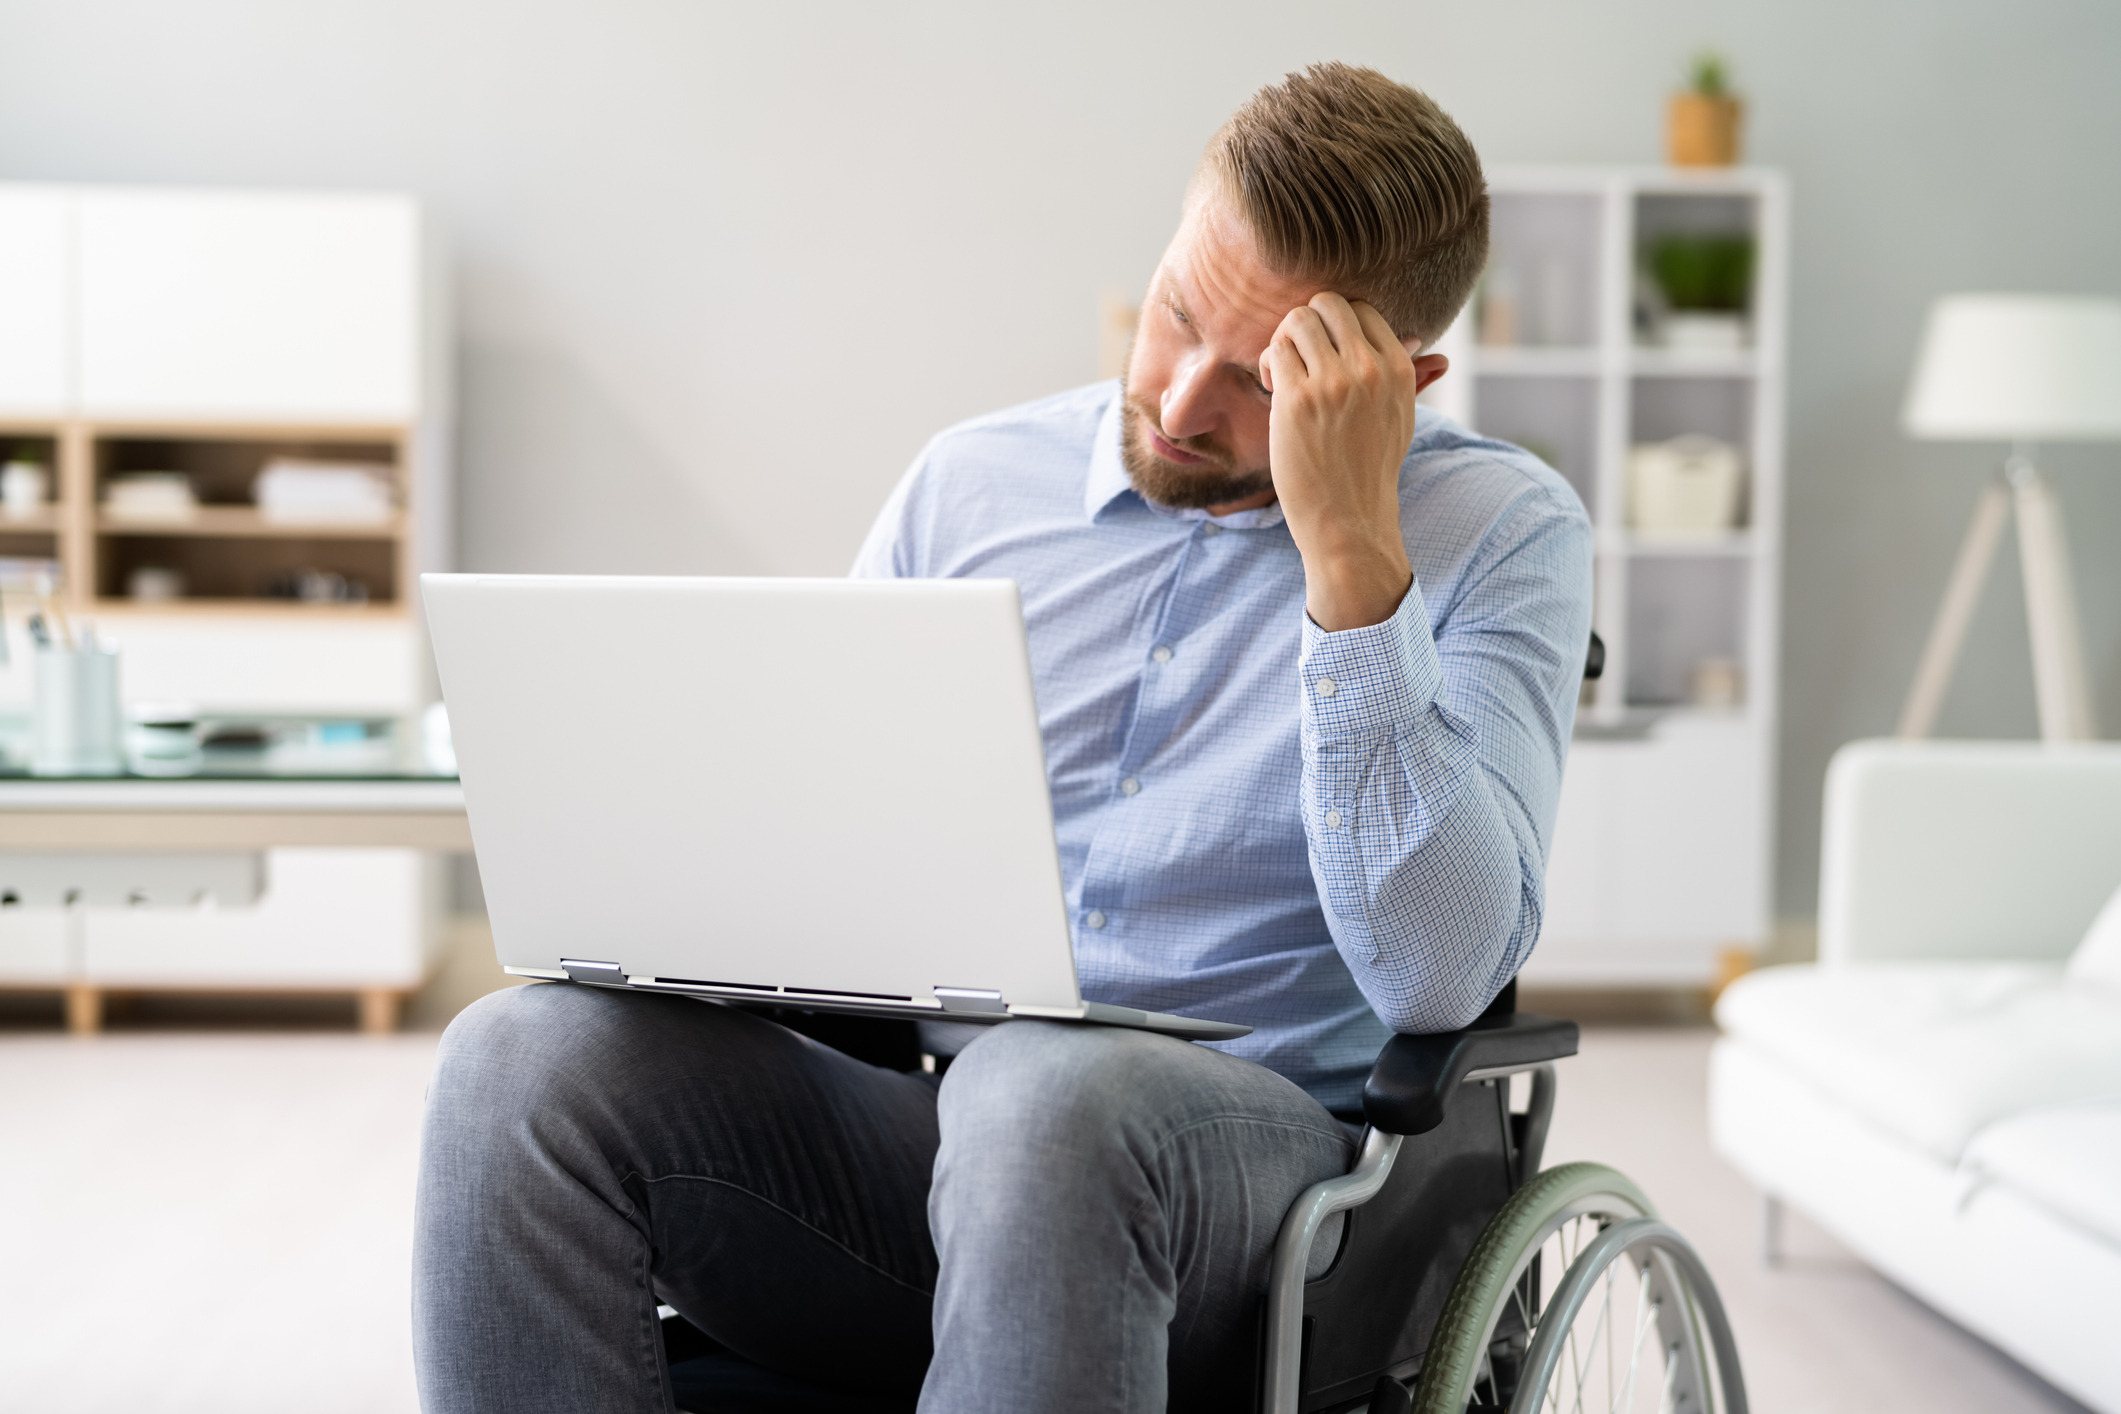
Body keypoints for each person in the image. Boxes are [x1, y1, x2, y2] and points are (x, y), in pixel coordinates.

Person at [413, 62, 1591, 1414]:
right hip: (938, 1139)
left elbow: (1439, 975)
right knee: (517, 1060)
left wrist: (1349, 559)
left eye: (1265, 381)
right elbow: (821, 845)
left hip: (1280, 1200)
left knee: (1045, 1088)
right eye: (1174, 316)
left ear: (1401, 381)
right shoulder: (970, 486)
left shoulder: (1502, 534)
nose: (1183, 399)